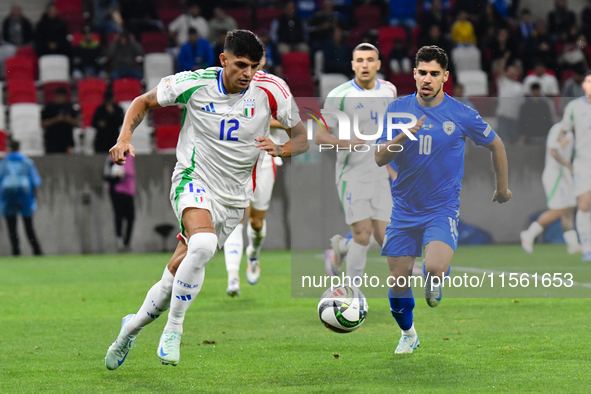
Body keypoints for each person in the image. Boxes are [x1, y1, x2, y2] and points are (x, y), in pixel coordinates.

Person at [104, 29, 308, 369]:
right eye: (241, 65)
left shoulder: (272, 90)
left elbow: (301, 138)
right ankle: (174, 330)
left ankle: (130, 329)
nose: (248, 74)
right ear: (223, 60)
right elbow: (144, 101)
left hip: (233, 199)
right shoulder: (194, 83)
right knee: (201, 246)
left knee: (176, 271)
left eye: (254, 67)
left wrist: (282, 149)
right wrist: (125, 137)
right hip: (192, 178)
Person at [375, 45, 511, 354]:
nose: (427, 78)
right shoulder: (397, 109)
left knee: (433, 267)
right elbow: (380, 158)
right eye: (422, 72)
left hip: (441, 209)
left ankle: (436, 276)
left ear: (445, 77)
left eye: (434, 74)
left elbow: (497, 144)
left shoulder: (461, 113)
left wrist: (502, 188)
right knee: (397, 281)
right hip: (404, 211)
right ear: (414, 74)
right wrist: (402, 136)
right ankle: (408, 334)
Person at [314, 43, 397, 280]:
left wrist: (393, 170)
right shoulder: (339, 95)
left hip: (380, 174)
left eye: (370, 60)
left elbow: (389, 133)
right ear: (352, 65)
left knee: (385, 239)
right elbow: (320, 135)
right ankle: (352, 293)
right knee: (362, 234)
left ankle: (339, 250)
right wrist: (348, 144)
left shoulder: (389, 91)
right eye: (359, 60)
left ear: (378, 64)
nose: (365, 65)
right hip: (352, 175)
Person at [520, 122, 580, 254]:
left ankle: (573, 244)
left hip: (565, 176)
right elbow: (553, 151)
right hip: (555, 175)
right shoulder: (558, 129)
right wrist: (568, 166)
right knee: (558, 210)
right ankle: (529, 234)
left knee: (569, 209)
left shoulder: (571, 133)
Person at [560, 71, 591, 261]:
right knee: (584, 204)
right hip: (583, 162)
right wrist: (564, 140)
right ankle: (587, 247)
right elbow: (564, 131)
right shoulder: (574, 107)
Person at [0, 140, 42, 256]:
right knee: (28, 225)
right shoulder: (26, 162)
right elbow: (35, 181)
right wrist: (34, 198)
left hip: (8, 196)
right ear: (19, 147)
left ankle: (16, 251)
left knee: (11, 226)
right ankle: (36, 249)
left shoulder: (5, 162)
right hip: (24, 195)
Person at [104, 154, 136, 252]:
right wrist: (117, 177)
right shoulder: (111, 157)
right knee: (119, 216)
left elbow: (131, 172)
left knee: (131, 217)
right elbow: (106, 175)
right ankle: (120, 242)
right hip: (117, 191)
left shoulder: (130, 157)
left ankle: (127, 242)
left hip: (129, 191)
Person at [41, 87, 78, 154]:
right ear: (55, 96)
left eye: (62, 97)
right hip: (52, 140)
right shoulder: (49, 108)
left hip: (67, 140)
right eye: (59, 96)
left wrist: (67, 119)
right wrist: (56, 119)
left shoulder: (69, 107)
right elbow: (43, 124)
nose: (60, 98)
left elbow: (76, 123)